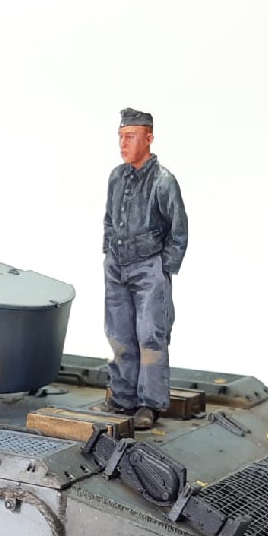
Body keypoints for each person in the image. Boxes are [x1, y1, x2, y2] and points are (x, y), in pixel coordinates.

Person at [98, 108, 188, 428]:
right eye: (121, 137)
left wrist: (163, 269)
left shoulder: (164, 181)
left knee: (151, 336)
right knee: (119, 334)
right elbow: (110, 219)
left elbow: (178, 231)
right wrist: (109, 252)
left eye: (131, 137)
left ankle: (149, 404)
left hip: (149, 268)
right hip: (117, 267)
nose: (123, 144)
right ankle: (123, 396)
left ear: (148, 139)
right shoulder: (116, 177)